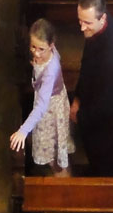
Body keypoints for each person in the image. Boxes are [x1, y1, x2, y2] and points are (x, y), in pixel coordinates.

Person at [71, 0, 113, 177]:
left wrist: (80, 117)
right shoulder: (100, 25)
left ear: (102, 18)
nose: (82, 28)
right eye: (80, 20)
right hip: (91, 102)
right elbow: (86, 65)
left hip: (104, 127)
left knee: (104, 166)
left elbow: (106, 107)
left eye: (87, 23)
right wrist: (77, 96)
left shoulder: (110, 60)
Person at [10, 18, 72, 175]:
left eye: (41, 49)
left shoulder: (50, 71)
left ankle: (64, 184)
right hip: (49, 101)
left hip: (50, 110)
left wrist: (23, 131)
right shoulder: (47, 53)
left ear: (51, 45)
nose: (36, 53)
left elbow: (42, 107)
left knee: (53, 154)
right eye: (33, 47)